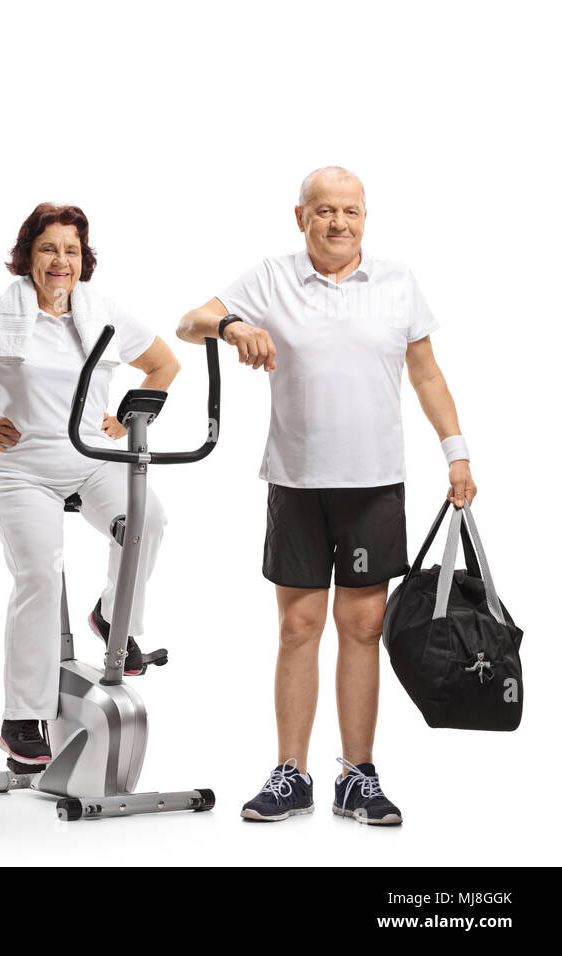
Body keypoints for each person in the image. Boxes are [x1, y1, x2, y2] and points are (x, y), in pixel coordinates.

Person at [177, 166, 476, 825]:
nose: (339, 222)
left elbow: (426, 374)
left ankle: (357, 776)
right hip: (297, 480)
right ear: (301, 216)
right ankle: (291, 774)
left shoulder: (397, 282)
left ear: (365, 216)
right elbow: (189, 320)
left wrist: (455, 450)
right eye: (326, 211)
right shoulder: (271, 276)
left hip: (374, 483)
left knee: (363, 628)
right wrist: (231, 329)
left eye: (352, 211)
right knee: (297, 627)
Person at [0, 203, 180, 766]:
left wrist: (127, 419)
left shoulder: (102, 314)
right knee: (39, 573)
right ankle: (22, 716)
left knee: (147, 520)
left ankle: (113, 619)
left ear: (85, 260)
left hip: (91, 459)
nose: (61, 261)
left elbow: (164, 364)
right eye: (49, 249)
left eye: (72, 250)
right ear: (28, 256)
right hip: (22, 468)